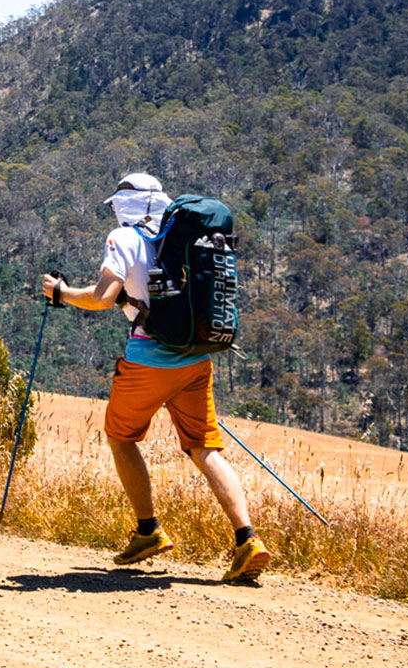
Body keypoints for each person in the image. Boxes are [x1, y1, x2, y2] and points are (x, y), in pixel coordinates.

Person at [41, 173, 272, 582]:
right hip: (196, 355)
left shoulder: (124, 239)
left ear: (124, 206)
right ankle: (247, 540)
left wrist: (62, 293)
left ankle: (148, 530)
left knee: (121, 436)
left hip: (149, 358)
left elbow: (102, 298)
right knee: (205, 448)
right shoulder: (181, 235)